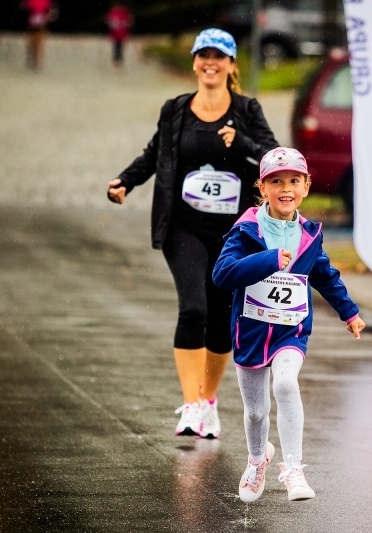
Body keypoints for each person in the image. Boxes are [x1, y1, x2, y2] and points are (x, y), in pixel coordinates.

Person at [107, 28, 279, 439]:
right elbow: (155, 153)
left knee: (221, 321)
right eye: (203, 55)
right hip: (183, 226)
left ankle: (209, 401)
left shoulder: (247, 109)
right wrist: (125, 181)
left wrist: (240, 143)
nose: (210, 62)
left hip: (234, 234)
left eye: (219, 56)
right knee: (194, 308)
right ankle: (190, 406)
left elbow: (273, 159)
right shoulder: (176, 110)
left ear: (231, 65)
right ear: (194, 62)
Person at [212, 146, 366, 502]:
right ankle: (257, 459)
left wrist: (350, 312)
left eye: (294, 181)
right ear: (262, 188)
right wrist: (267, 260)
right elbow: (222, 275)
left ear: (306, 186)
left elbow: (325, 275)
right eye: (276, 181)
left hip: (290, 331)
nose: (286, 188)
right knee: (255, 413)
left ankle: (293, 468)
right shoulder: (246, 230)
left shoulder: (310, 235)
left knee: (284, 384)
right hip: (250, 333)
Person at [22, 0, 54, 70]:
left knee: (36, 46)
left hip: (38, 26)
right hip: (34, 26)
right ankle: (33, 64)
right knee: (33, 46)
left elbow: (51, 12)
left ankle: (35, 65)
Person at [105, 0, 132, 69]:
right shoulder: (122, 12)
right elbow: (129, 21)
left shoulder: (118, 12)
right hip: (119, 32)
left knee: (118, 45)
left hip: (119, 32)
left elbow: (109, 21)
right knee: (118, 45)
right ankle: (118, 60)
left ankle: (117, 60)